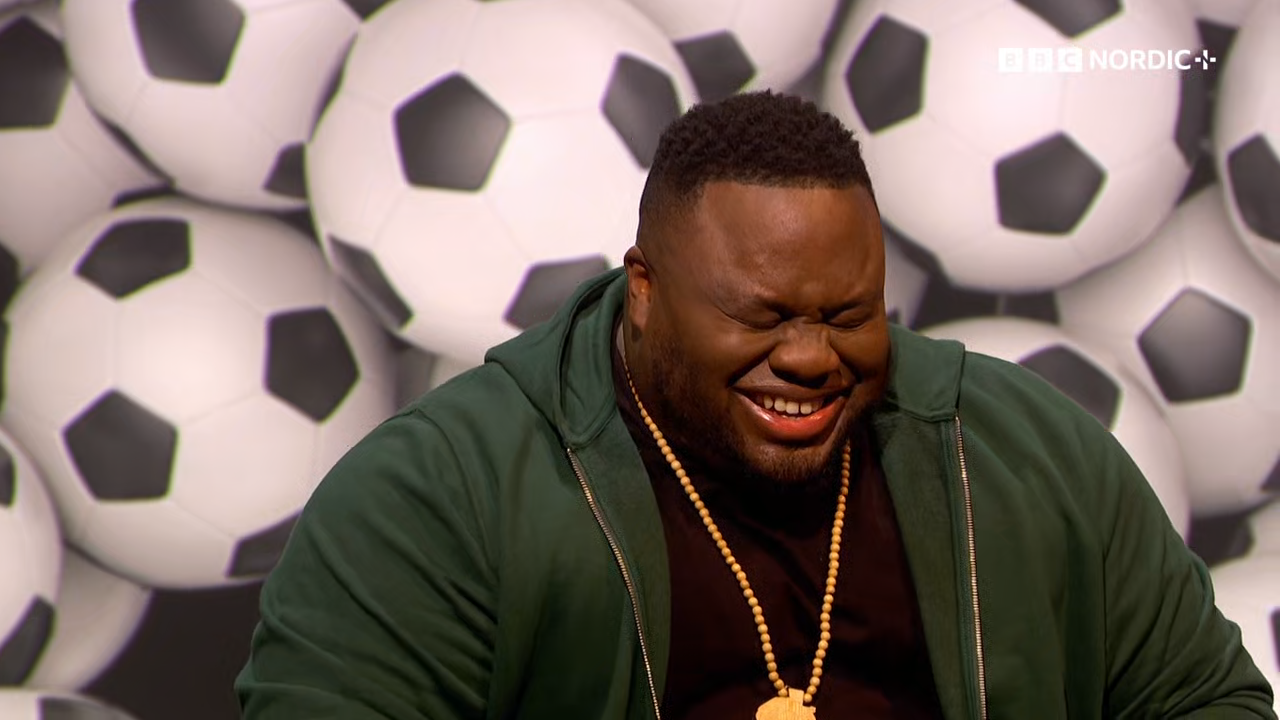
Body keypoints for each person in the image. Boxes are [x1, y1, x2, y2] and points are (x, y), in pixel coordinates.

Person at [235, 90, 1274, 719]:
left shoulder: (1021, 453)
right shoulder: (439, 495)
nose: (811, 358)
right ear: (643, 290)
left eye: (849, 314)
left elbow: (1202, 699)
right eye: (760, 316)